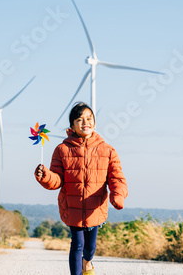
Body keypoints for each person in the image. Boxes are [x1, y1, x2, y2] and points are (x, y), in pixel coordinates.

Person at [34, 102, 128, 275]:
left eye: (89, 118)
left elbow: (117, 177)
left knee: (90, 248)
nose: (85, 122)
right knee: (77, 245)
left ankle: (87, 263)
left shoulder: (107, 150)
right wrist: (45, 176)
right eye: (80, 119)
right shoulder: (62, 150)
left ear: (94, 122)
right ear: (72, 126)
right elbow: (57, 179)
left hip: (95, 208)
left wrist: (118, 195)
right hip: (72, 207)